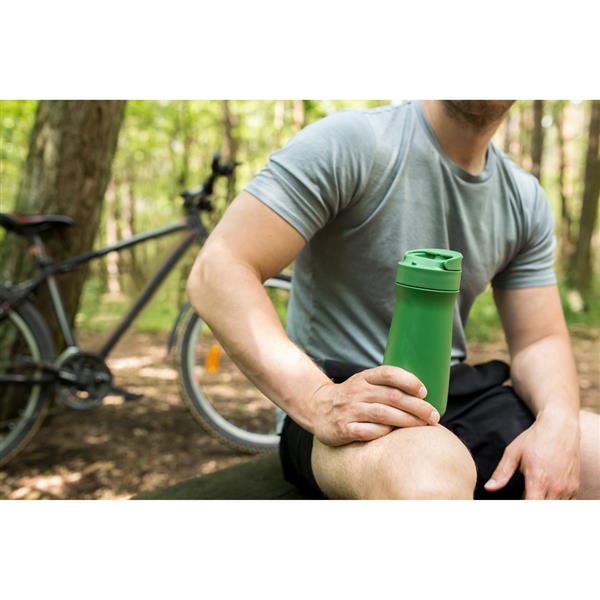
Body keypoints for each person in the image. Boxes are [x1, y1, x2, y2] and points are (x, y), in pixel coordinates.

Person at [186, 100, 600, 500]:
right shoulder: (352, 143)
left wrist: (558, 421)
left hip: (455, 392)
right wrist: (316, 399)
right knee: (428, 475)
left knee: (593, 454)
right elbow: (218, 269)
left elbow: (539, 340)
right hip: (342, 395)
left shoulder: (523, 197)